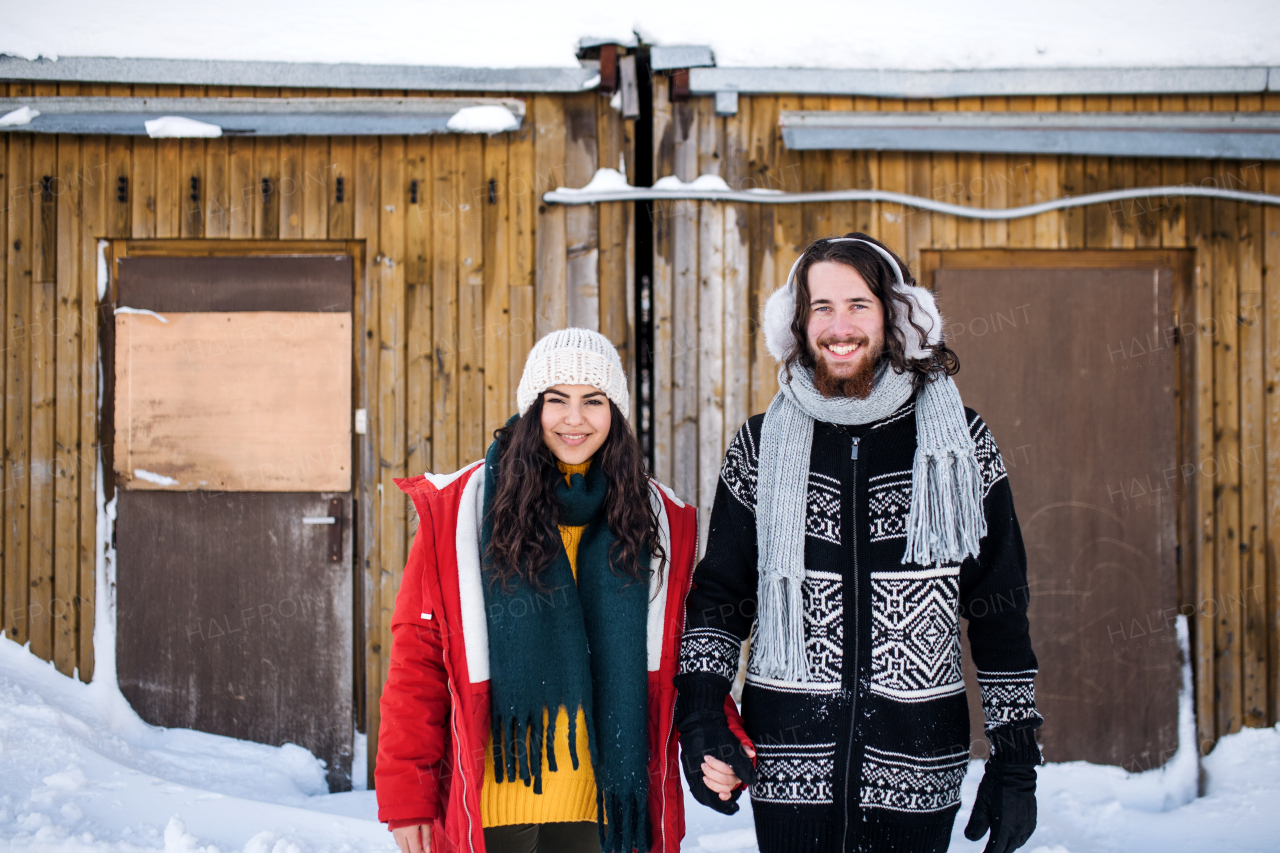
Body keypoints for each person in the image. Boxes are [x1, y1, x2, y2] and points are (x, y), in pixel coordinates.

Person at [674, 235, 1043, 853]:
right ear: (799, 321)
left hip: (918, 762)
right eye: (821, 306)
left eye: (858, 304)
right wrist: (703, 713)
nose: (838, 326)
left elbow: (998, 607)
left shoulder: (960, 446)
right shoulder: (760, 447)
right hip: (790, 763)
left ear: (894, 315)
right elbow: (721, 596)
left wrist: (1015, 760)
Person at [376, 328, 702, 853]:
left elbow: (684, 653)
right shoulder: (464, 508)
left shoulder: (657, 519)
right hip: (494, 809)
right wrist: (408, 795)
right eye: (558, 400)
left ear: (614, 411)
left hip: (605, 811)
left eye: (593, 401)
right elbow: (418, 658)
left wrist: (720, 736)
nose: (575, 419)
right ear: (533, 408)